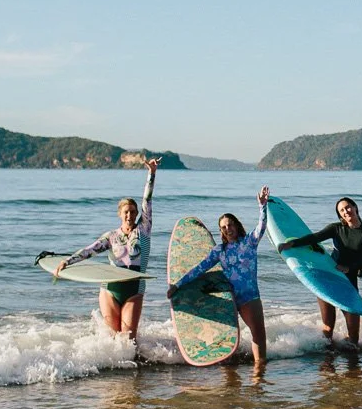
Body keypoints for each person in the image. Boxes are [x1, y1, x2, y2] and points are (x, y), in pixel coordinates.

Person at [54, 158, 160, 341]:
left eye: (133, 212)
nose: (130, 215)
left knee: (128, 340)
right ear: (120, 214)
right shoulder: (111, 237)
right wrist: (67, 261)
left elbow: (147, 200)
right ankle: (114, 369)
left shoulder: (143, 230)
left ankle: (134, 367)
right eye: (126, 212)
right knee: (113, 338)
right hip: (110, 289)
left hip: (134, 290)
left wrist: (151, 174)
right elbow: (89, 251)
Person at [167, 185, 271, 369]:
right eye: (223, 227)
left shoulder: (249, 242)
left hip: (249, 297)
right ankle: (230, 373)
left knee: (258, 334)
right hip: (229, 298)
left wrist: (263, 206)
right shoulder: (220, 251)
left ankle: (258, 373)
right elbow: (200, 268)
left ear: (237, 225)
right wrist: (178, 284)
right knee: (227, 338)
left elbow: (261, 227)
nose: (227, 229)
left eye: (230, 225)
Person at [278, 197, 362, 348]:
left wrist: (349, 268)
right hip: (329, 277)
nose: (346, 212)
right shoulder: (336, 228)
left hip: (348, 281)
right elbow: (315, 237)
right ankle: (327, 362)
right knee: (327, 329)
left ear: (355, 207)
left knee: (354, 337)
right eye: (342, 210)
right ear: (339, 214)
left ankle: (352, 365)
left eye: (348, 207)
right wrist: (292, 243)